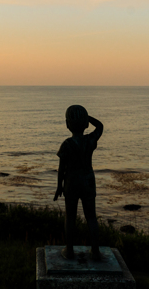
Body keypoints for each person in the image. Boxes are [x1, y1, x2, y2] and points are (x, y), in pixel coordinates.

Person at [53, 104, 104, 260]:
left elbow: (61, 169)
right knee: (91, 217)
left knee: (70, 217)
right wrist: (86, 118)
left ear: (67, 124)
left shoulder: (67, 144)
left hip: (71, 181)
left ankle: (69, 251)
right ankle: (95, 252)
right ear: (86, 125)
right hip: (88, 180)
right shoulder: (90, 140)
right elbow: (100, 126)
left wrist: (59, 186)